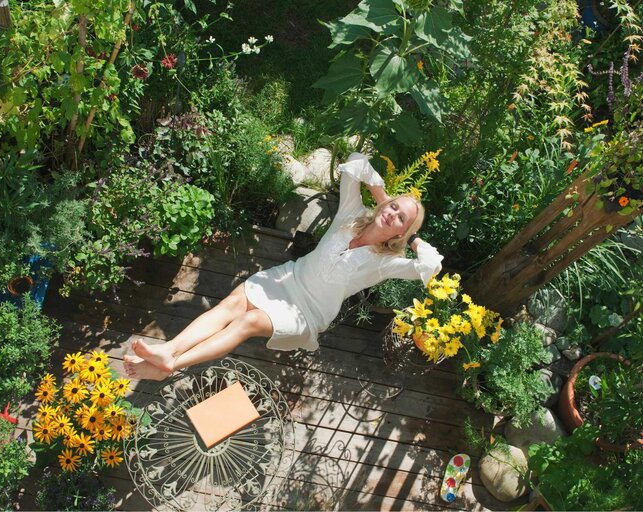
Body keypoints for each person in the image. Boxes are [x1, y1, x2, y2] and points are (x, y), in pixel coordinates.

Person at [123, 152, 443, 380]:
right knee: (230, 306)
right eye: (394, 207)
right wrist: (383, 196)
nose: (393, 214)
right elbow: (357, 162)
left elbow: (431, 264)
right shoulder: (351, 213)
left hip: (306, 313)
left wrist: (412, 238)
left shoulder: (386, 262)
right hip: (286, 279)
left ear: (403, 230)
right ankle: (169, 351)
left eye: (402, 218)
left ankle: (172, 364)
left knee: (247, 322)